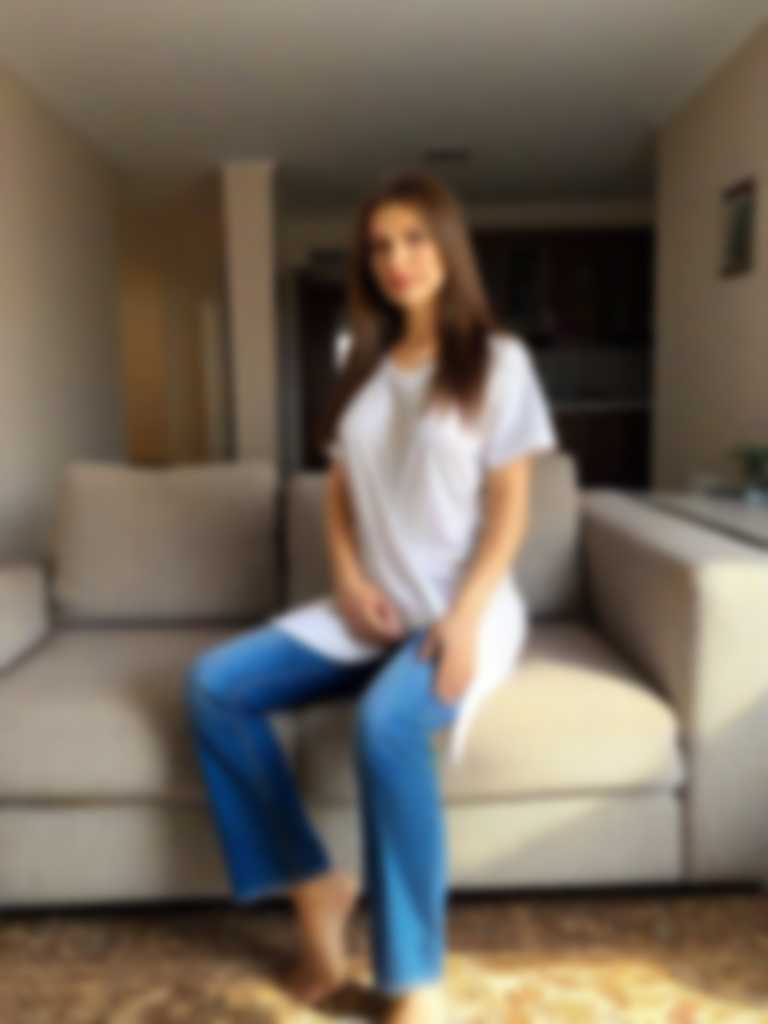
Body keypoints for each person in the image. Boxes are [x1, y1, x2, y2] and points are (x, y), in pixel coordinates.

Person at [184, 170, 559, 1024]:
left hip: (463, 608)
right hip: (370, 609)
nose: (397, 259)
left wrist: (465, 617)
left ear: (448, 248)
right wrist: (347, 578)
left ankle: (411, 976)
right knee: (214, 685)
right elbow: (340, 490)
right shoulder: (360, 367)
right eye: (381, 246)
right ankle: (314, 887)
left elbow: (512, 506)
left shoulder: (497, 362)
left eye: (415, 239)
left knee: (386, 724)